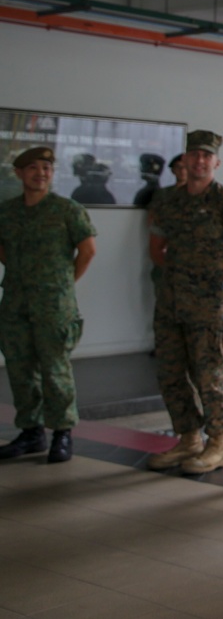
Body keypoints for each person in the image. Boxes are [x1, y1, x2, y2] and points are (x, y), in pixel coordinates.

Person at [147, 130, 223, 474]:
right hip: (171, 301)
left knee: (209, 375)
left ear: (216, 162)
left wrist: (219, 276)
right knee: (170, 373)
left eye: (205, 156)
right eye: (193, 155)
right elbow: (156, 249)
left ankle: (217, 444)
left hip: (209, 306)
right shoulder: (167, 201)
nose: (198, 161)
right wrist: (183, 275)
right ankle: (188, 438)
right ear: (184, 160)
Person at [0, 146, 96, 463]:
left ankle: (62, 433)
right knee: (20, 368)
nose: (40, 173)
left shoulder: (67, 210)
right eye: (33, 168)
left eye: (46, 168)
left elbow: (87, 250)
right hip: (15, 301)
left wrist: (63, 282)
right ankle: (31, 431)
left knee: (55, 371)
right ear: (19, 174)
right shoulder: (8, 211)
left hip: (54, 304)